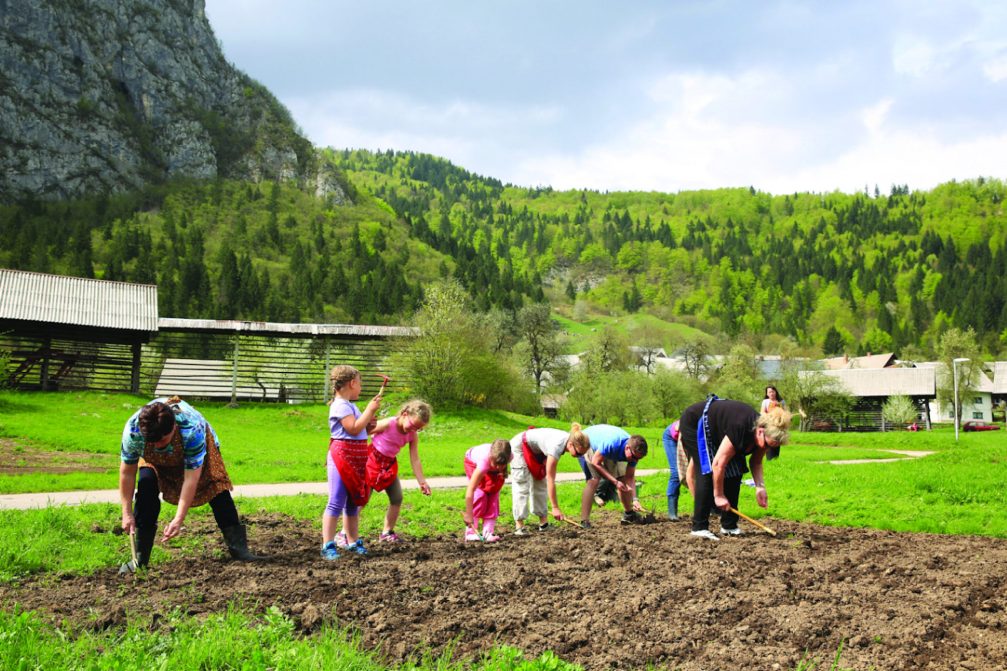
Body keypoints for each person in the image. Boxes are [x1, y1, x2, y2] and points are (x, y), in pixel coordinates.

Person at [118, 396, 263, 572]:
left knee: (215, 488)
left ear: (173, 428)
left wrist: (178, 519)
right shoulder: (134, 431)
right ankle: (140, 559)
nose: (157, 446)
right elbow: (127, 472)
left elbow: (191, 479)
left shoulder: (192, 430)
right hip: (152, 462)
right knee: (147, 484)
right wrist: (126, 513)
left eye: (162, 441)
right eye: (152, 442)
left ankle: (240, 550)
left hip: (197, 448)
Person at [680, 395, 792, 541]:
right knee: (706, 471)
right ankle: (699, 527)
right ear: (760, 431)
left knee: (736, 471)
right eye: (766, 445)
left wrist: (760, 486)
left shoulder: (767, 434)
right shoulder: (741, 427)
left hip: (723, 431)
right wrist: (718, 495)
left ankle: (729, 525)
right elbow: (718, 465)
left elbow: (756, 462)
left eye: (771, 447)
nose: (766, 449)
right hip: (696, 422)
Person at [321, 365, 382, 560]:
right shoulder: (339, 405)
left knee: (353, 503)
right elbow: (353, 429)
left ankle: (353, 542)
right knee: (336, 501)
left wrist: (370, 420)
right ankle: (328, 544)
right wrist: (369, 410)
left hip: (356, 457)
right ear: (352, 383)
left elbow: (362, 429)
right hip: (342, 457)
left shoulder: (351, 405)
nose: (361, 387)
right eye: (360, 383)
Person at [365, 399, 433, 542]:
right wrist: (368, 426)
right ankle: (345, 534)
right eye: (413, 425)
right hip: (372, 462)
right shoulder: (388, 424)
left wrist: (422, 481)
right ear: (404, 414)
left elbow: (415, 459)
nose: (414, 430)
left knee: (397, 498)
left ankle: (387, 533)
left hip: (388, 466)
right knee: (362, 499)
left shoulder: (412, 435)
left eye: (418, 429)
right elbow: (363, 432)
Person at [509, 424, 591, 535]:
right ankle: (519, 526)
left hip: (537, 451)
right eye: (578, 453)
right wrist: (555, 508)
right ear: (571, 445)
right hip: (520, 447)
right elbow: (551, 479)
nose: (579, 456)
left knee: (540, 482)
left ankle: (543, 524)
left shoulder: (567, 441)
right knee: (522, 484)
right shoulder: (556, 446)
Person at [579, 425, 648, 527]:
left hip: (609, 450)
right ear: (627, 448)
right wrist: (614, 482)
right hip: (588, 443)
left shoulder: (634, 454)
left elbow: (629, 477)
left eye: (638, 459)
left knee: (622, 478)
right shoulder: (612, 443)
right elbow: (595, 462)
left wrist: (635, 499)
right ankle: (585, 521)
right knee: (594, 481)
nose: (635, 461)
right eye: (633, 457)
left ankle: (628, 514)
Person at [462, 439, 513, 542]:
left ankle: (488, 532)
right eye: (496, 464)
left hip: (490, 466)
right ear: (491, 457)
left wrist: (501, 470)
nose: (499, 467)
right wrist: (468, 514)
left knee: (494, 496)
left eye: (502, 465)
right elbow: (471, 489)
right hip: (473, 464)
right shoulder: (484, 462)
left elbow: (500, 466)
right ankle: (471, 533)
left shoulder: (510, 457)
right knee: (480, 494)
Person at [661, 419, 682, 520]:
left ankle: (711, 508)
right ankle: (672, 512)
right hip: (672, 437)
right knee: (677, 473)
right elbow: (678, 427)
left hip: (691, 440)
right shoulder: (697, 417)